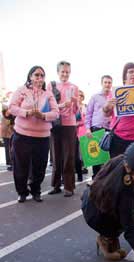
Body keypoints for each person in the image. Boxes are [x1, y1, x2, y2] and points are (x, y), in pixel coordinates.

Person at [8, 65, 59, 202]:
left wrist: (42, 115)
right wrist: (27, 113)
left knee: (40, 167)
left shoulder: (48, 94)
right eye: (37, 75)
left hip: (42, 137)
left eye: (42, 76)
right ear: (30, 76)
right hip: (22, 135)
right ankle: (22, 192)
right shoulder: (22, 90)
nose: (39, 78)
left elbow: (56, 113)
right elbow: (12, 107)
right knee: (20, 166)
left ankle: (36, 190)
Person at [103, 62, 134, 157]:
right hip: (118, 138)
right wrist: (108, 106)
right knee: (119, 169)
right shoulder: (115, 92)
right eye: (131, 72)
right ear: (125, 75)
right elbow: (106, 114)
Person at [48, 60, 79, 197]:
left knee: (69, 156)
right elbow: (48, 105)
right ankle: (55, 185)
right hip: (55, 123)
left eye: (67, 72)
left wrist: (74, 103)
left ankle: (69, 186)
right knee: (56, 155)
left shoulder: (74, 87)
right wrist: (61, 106)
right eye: (63, 71)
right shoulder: (51, 85)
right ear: (58, 72)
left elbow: (76, 111)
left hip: (70, 124)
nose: (65, 74)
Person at [85, 75, 113, 178]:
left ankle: (106, 180)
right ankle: (95, 179)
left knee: (108, 157)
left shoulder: (113, 97)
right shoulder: (95, 97)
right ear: (102, 83)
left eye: (109, 82)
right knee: (96, 156)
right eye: (105, 82)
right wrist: (87, 128)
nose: (107, 84)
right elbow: (88, 114)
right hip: (96, 129)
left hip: (110, 129)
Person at [75, 90, 87, 182]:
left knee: (82, 151)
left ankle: (83, 168)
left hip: (82, 131)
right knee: (75, 153)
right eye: (78, 95)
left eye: (81, 96)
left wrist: (77, 123)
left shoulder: (84, 107)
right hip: (73, 131)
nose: (79, 97)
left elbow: (85, 120)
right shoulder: (74, 106)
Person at [1, 105, 14, 170]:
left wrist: (10, 127)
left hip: (10, 134)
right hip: (5, 134)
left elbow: (12, 126)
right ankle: (8, 163)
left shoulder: (12, 116)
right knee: (7, 149)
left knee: (11, 149)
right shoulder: (3, 116)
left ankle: (12, 163)